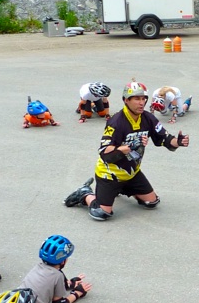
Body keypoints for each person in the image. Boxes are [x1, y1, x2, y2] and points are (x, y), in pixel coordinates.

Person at [63, 81, 190, 221]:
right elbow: (104, 152)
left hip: (131, 172)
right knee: (101, 213)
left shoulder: (148, 118)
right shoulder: (116, 122)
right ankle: (85, 194)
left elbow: (164, 138)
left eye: (143, 98)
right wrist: (122, 149)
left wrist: (178, 142)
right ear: (126, 100)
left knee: (152, 202)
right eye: (137, 99)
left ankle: (122, 188)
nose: (141, 103)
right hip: (109, 175)